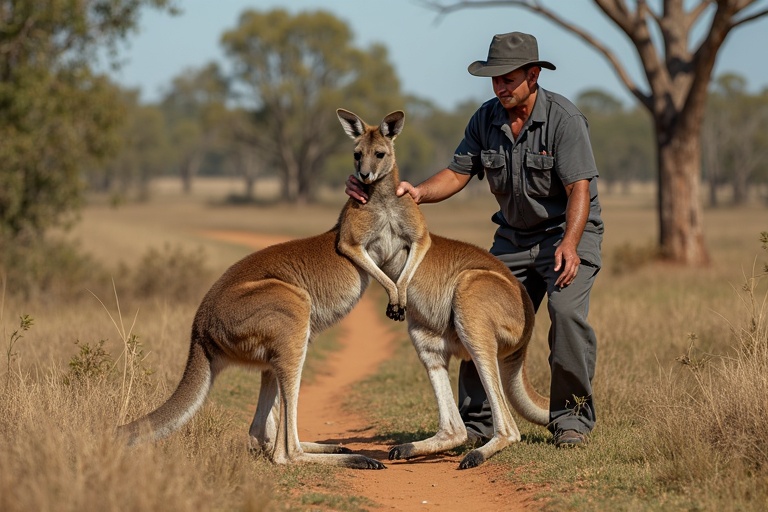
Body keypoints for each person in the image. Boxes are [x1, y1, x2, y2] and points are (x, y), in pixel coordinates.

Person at [346, 31, 603, 448]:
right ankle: (477, 422)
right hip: (514, 237)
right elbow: (456, 174)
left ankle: (571, 418)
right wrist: (416, 192)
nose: (500, 87)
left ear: (533, 76)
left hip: (566, 232)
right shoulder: (486, 119)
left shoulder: (563, 120)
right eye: (494, 79)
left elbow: (579, 189)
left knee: (567, 312)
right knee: (468, 304)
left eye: (508, 79)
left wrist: (570, 244)